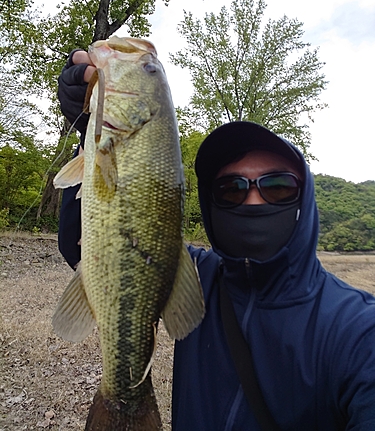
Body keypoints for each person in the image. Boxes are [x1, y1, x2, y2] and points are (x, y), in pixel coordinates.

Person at [57, 50, 375, 430]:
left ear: (304, 198)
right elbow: (86, 241)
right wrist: (88, 128)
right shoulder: (195, 276)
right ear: (213, 204)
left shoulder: (358, 330)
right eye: (230, 188)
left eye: (276, 186)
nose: (253, 199)